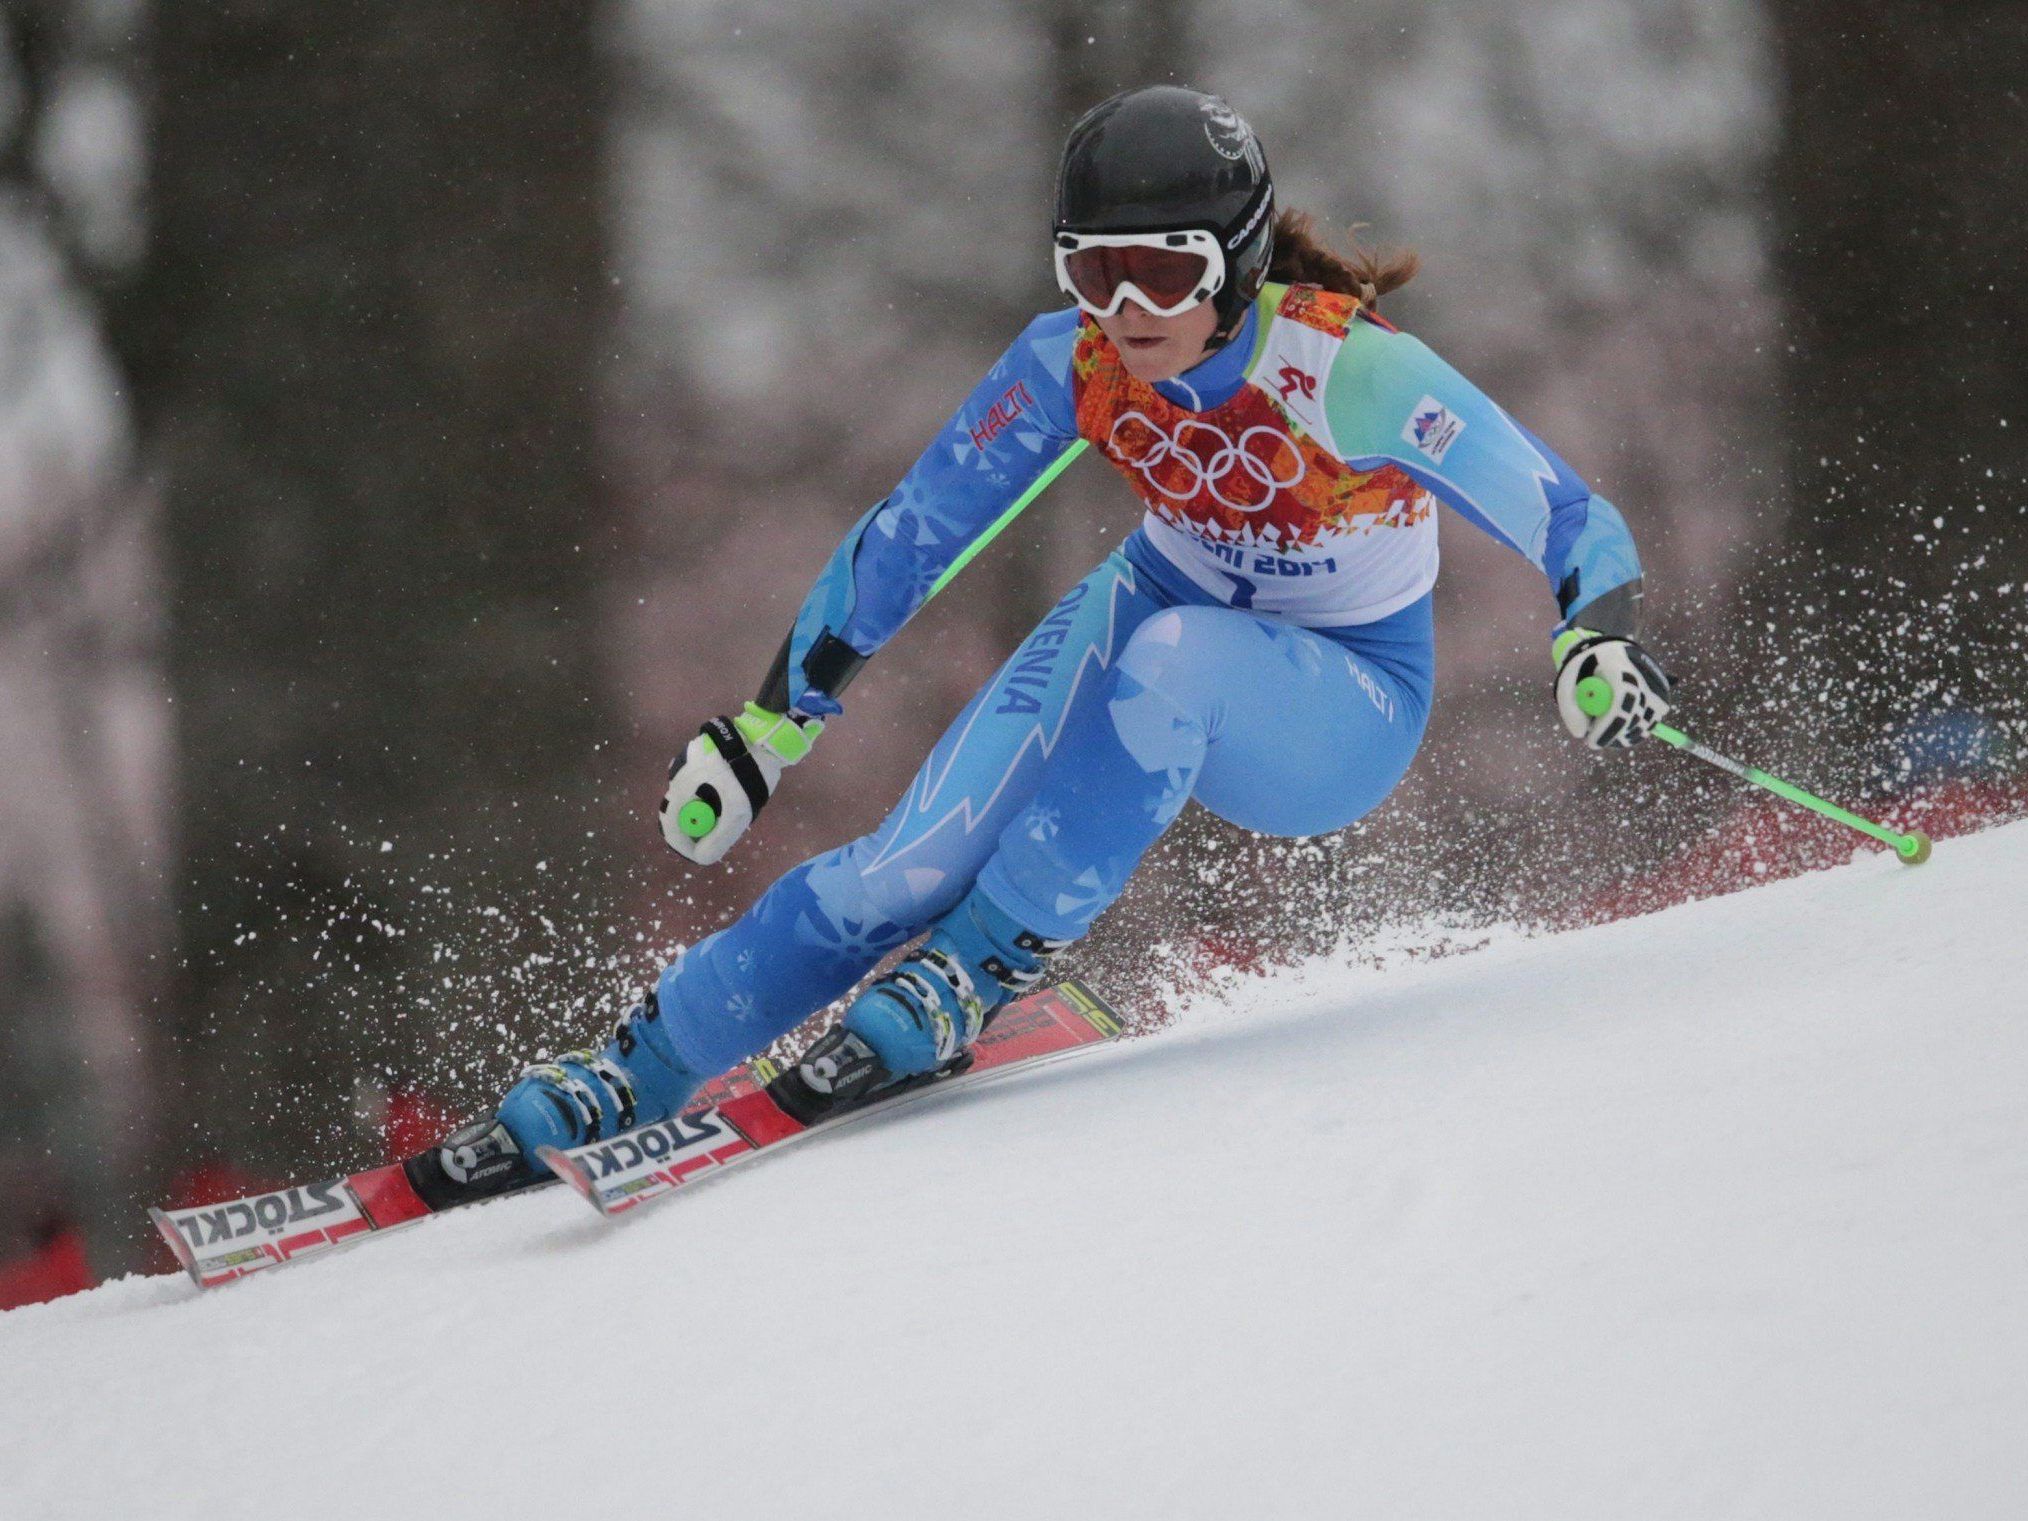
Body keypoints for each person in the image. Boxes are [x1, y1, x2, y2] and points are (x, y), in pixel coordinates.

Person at [414, 85, 1673, 1201]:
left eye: (1165, 276)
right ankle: (639, 1067)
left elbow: (1565, 508)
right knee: (899, 869)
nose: (1126, 312)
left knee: (1174, 655)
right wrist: (766, 726)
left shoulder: (1346, 371)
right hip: (1157, 613)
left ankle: (981, 967)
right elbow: (916, 533)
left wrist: (1593, 638)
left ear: (1233, 266)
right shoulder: (1070, 362)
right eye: (1093, 271)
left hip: (1340, 703)